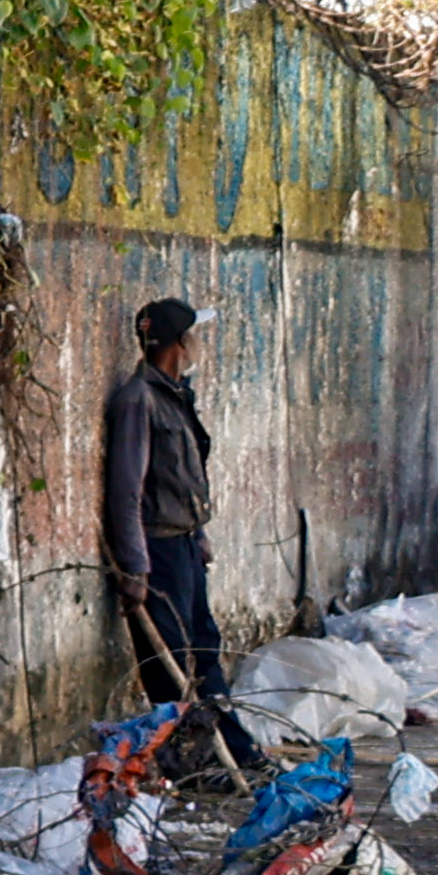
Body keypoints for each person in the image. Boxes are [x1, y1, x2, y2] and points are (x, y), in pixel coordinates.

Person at [99, 295, 266, 775]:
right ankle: (188, 765)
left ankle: (235, 752)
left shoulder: (174, 393)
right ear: (178, 342)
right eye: (194, 334)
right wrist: (136, 567)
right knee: (169, 664)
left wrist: (199, 534)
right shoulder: (138, 401)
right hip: (157, 551)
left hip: (185, 542)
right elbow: (126, 491)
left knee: (204, 651)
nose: (198, 344)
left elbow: (186, 475)